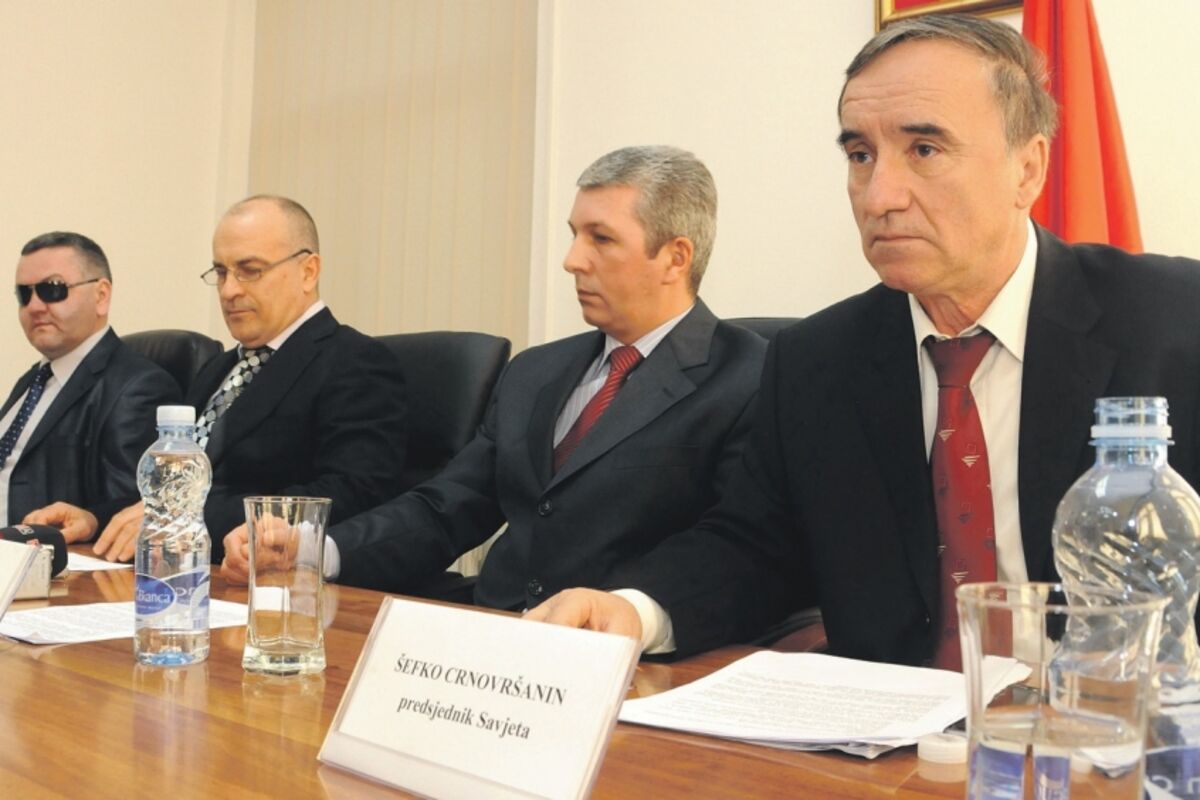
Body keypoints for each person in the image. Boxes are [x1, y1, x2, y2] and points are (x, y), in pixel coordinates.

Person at [525, 14, 1200, 665]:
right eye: (860, 155)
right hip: (893, 731)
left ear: (1027, 169)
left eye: (925, 150)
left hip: (1112, 723)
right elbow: (754, 548)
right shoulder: (815, 360)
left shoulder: (1173, 324)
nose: (879, 196)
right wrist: (634, 610)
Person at [221, 146, 767, 652]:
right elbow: (448, 506)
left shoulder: (750, 377)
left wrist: (636, 611)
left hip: (628, 659)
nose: (572, 260)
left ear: (675, 258)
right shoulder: (537, 371)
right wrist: (314, 550)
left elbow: (740, 546)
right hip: (492, 639)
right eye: (573, 235)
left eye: (600, 239)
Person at [81, 195, 407, 562]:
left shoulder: (354, 361)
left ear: (308, 271)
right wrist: (94, 518)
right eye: (221, 272)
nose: (229, 290)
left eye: (250, 270)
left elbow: (351, 493)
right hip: (178, 569)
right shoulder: (218, 368)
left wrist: (184, 520)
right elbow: (171, 490)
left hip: (268, 576)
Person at [3, 232, 179, 542]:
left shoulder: (138, 387)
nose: (34, 306)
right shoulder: (33, 380)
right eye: (24, 294)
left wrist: (89, 521)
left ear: (101, 296)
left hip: (51, 559)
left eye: (52, 289)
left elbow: (133, 510)